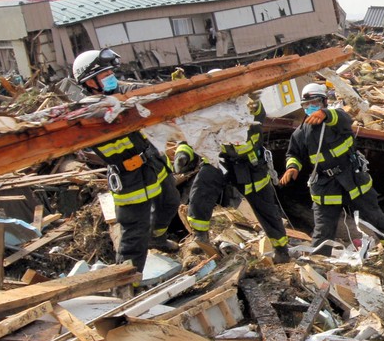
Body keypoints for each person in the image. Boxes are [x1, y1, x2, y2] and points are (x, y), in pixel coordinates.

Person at [72, 49, 180, 274]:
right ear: (89, 82)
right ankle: (126, 285)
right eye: (105, 74)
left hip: (152, 164)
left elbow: (136, 90)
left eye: (112, 71)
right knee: (134, 234)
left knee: (170, 202)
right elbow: (111, 117)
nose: (111, 76)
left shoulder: (116, 95)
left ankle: (157, 238)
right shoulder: (89, 110)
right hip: (129, 177)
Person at [282, 82, 384, 260]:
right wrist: (292, 166)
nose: (310, 108)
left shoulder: (335, 119)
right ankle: (319, 263)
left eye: (314, 103)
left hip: (352, 178)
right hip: (325, 185)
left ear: (324, 102)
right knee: (323, 229)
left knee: (375, 218)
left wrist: (326, 114)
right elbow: (293, 153)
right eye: (306, 105)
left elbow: (344, 119)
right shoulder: (301, 133)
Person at [174, 96, 291, 263]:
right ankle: (200, 236)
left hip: (250, 166)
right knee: (202, 188)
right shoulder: (208, 113)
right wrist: (183, 152)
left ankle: (281, 250)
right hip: (222, 161)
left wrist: (252, 100)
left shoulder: (246, 106)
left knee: (266, 208)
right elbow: (191, 134)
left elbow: (257, 112)